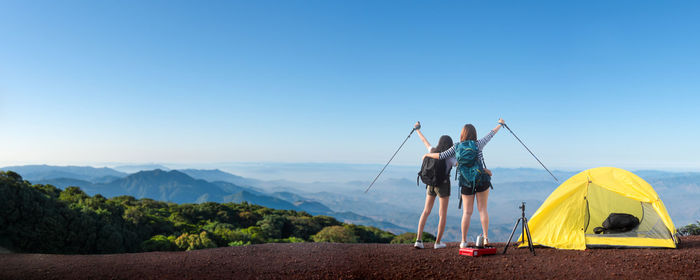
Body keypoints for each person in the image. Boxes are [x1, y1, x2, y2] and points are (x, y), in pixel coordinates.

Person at [424, 118, 504, 248]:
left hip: (466, 182)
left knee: (467, 212)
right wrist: (500, 124)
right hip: (481, 180)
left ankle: (463, 241)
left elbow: (441, 155)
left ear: (462, 134)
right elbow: (491, 134)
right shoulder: (478, 144)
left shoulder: (456, 147)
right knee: (483, 210)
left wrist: (427, 155)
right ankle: (485, 238)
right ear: (474, 134)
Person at [413, 122, 455, 249]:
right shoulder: (450, 157)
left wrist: (417, 130)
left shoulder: (432, 151)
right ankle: (437, 243)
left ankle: (418, 240)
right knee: (442, 214)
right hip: (443, 185)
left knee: (426, 211)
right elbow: (461, 163)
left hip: (430, 184)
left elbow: (424, 141)